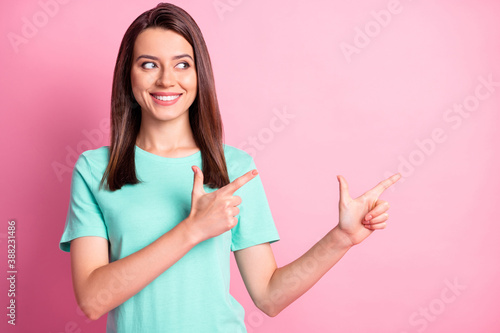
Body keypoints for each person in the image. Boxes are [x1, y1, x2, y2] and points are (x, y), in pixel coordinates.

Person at [59, 2, 401, 332]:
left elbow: (269, 295)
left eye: (182, 64)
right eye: (149, 64)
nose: (166, 80)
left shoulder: (233, 168)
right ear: (128, 74)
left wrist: (340, 238)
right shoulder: (95, 170)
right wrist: (193, 230)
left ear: (199, 74)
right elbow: (92, 300)